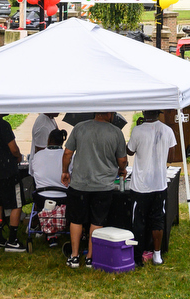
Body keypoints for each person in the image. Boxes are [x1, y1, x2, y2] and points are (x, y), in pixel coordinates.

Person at [62, 112, 129, 268]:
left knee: (76, 220)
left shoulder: (79, 128)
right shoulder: (116, 132)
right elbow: (123, 159)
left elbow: (67, 152)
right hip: (103, 186)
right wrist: (122, 169)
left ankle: (74, 256)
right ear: (107, 113)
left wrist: (65, 171)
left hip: (79, 184)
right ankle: (91, 258)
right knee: (97, 221)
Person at [128, 110, 177, 265]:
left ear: (144, 112)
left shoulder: (137, 130)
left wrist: (138, 128)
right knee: (157, 220)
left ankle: (138, 256)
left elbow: (129, 151)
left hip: (141, 185)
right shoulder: (167, 130)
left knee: (139, 221)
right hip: (159, 183)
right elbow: (172, 153)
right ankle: (157, 255)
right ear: (159, 114)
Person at [0, 114, 26, 252]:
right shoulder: (4, 125)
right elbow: (13, 148)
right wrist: (19, 156)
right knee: (16, 204)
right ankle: (12, 240)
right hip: (8, 172)